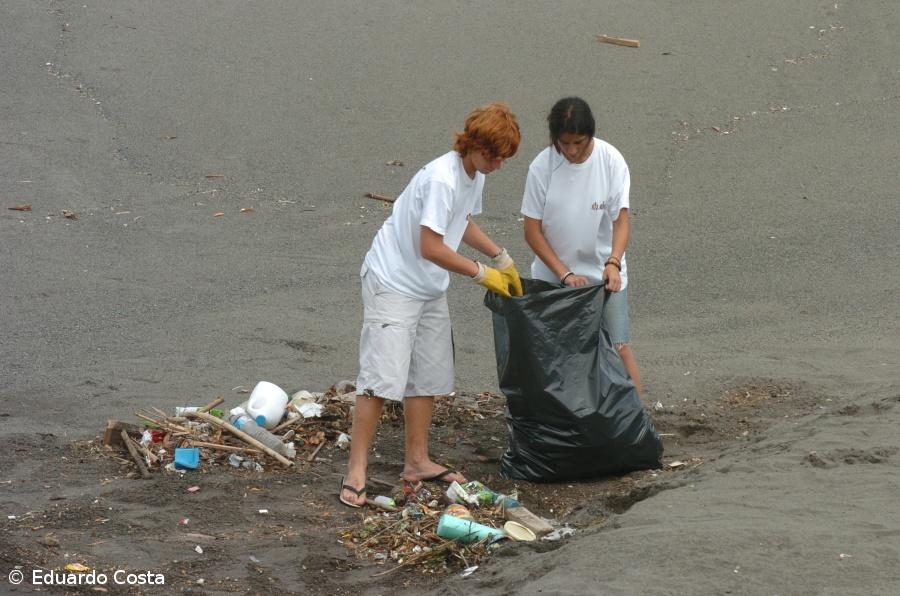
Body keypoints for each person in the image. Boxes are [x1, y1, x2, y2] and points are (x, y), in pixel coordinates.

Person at [339, 102, 523, 507]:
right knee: (381, 377)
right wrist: (481, 273)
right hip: (393, 280)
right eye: (492, 155)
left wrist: (499, 255)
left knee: (427, 373)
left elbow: (461, 221)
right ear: (473, 144)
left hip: (427, 286)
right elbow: (431, 245)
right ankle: (356, 470)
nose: (497, 163)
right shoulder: (443, 177)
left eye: (502, 158)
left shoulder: (474, 173)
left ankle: (417, 461)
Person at [520, 96, 642, 394]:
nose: (572, 151)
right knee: (556, 353)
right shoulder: (542, 167)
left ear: (591, 136)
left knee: (618, 346)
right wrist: (563, 274)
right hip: (553, 275)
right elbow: (532, 231)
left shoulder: (611, 161)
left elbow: (620, 221)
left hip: (604, 274)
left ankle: (637, 421)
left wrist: (613, 262)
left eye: (579, 143)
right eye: (565, 144)